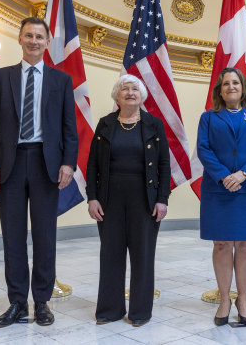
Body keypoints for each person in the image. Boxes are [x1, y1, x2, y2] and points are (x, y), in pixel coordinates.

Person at [0, 17, 78, 327]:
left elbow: (69, 128)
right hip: (8, 164)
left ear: (47, 42)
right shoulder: (1, 77)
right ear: (19, 39)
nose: (34, 41)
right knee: (12, 237)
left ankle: (43, 301)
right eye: (28, 36)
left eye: (39, 36)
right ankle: (17, 303)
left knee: (45, 236)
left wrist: (68, 162)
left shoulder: (60, 80)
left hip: (45, 164)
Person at [86, 74, 170, 327]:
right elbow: (92, 165)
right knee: (110, 254)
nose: (130, 92)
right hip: (109, 198)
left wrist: (162, 199)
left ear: (142, 95)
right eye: (125, 89)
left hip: (144, 198)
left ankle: (140, 312)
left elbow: (164, 165)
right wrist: (92, 198)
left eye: (135, 89)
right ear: (117, 96)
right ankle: (110, 310)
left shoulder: (154, 124)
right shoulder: (105, 124)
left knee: (143, 255)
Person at [197, 67, 246, 327]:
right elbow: (203, 150)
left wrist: (242, 174)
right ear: (219, 89)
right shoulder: (209, 117)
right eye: (226, 83)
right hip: (218, 188)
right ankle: (224, 301)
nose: (231, 87)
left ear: (243, 88)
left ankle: (243, 300)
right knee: (221, 244)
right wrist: (224, 176)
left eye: (236, 83)